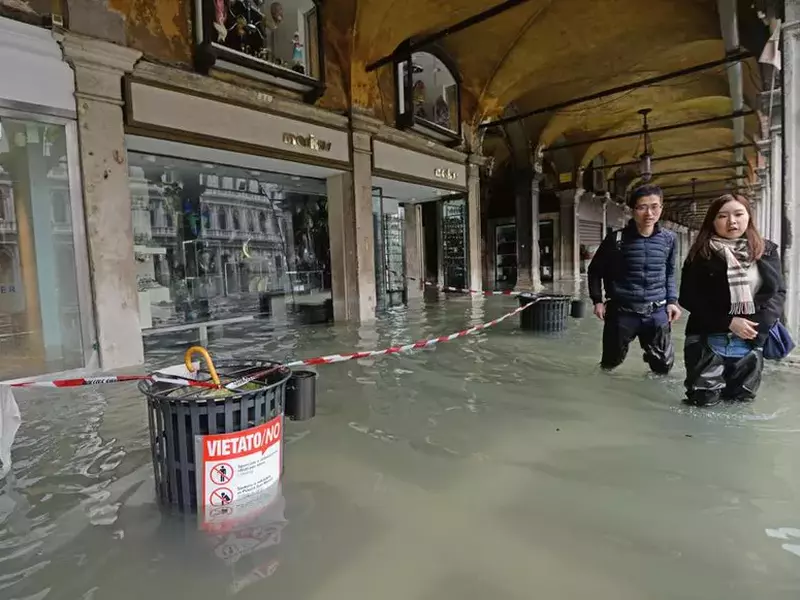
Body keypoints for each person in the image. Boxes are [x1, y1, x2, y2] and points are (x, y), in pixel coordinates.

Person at [679, 194, 785, 406]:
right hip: (707, 340)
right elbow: (689, 297)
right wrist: (728, 322)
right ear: (713, 220)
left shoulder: (766, 250)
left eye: (738, 214)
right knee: (702, 404)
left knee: (740, 405)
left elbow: (778, 293)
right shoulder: (702, 252)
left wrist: (756, 328)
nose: (732, 222)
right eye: (722, 216)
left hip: (750, 342)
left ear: (749, 217)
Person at [588, 184, 682, 373]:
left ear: (661, 208)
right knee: (610, 363)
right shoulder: (616, 240)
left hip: (657, 312)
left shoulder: (669, 239)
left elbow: (670, 272)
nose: (649, 213)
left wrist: (672, 301)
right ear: (632, 210)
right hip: (622, 312)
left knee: (662, 366)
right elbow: (594, 271)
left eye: (655, 206)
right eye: (642, 207)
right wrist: (597, 301)